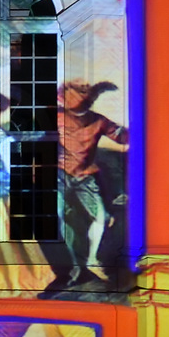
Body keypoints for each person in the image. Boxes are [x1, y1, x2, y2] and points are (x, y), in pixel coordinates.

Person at [57, 80, 127, 284]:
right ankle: (71, 267)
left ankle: (92, 261)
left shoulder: (99, 121)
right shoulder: (55, 117)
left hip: (85, 177)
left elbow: (125, 137)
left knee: (101, 219)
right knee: (56, 218)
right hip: (58, 174)